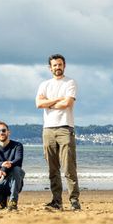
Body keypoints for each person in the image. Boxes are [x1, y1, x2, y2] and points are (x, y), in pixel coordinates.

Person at [35, 53, 80, 211]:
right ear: (50, 68)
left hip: (65, 128)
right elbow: (39, 104)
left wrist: (49, 103)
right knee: (52, 169)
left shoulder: (70, 82)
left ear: (64, 66)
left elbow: (67, 103)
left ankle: (74, 201)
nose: (57, 67)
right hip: (48, 129)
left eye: (60, 65)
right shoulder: (44, 85)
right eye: (55, 65)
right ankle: (56, 201)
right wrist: (55, 101)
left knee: (69, 167)